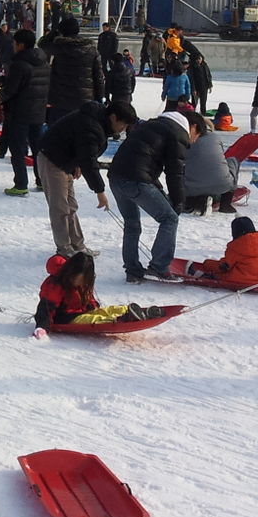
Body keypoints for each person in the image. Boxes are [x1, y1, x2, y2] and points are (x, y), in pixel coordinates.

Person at [35, 100, 136, 258]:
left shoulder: (99, 122)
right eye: (123, 124)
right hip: (52, 159)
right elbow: (89, 162)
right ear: (113, 117)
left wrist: (77, 163)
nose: (123, 129)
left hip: (65, 160)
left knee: (71, 206)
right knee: (60, 208)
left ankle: (77, 245)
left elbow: (83, 149)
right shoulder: (92, 126)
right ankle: (64, 249)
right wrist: (100, 191)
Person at [109, 108, 200, 283]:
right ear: (193, 127)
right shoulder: (178, 133)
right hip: (135, 180)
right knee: (170, 219)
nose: (194, 141)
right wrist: (178, 201)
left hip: (116, 177)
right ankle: (159, 267)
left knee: (132, 224)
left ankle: (132, 271)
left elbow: (144, 161)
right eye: (197, 136)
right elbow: (175, 172)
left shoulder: (153, 124)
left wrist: (160, 190)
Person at [31, 253, 169, 338]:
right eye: (79, 279)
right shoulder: (55, 285)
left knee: (107, 310)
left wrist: (93, 306)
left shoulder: (81, 281)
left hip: (82, 311)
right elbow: (45, 308)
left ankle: (134, 311)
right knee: (95, 319)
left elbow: (88, 297)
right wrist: (42, 327)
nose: (81, 283)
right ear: (70, 273)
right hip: (66, 318)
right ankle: (122, 319)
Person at [0, 29, 50, 196]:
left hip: (20, 112)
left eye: (15, 43)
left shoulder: (19, 64)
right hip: (38, 112)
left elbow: (11, 90)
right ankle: (42, 181)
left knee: (18, 149)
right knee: (38, 149)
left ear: (20, 45)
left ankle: (21, 184)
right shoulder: (44, 63)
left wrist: (1, 93)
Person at [185, 216, 258, 285]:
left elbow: (224, 267)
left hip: (241, 280)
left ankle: (197, 274)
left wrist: (207, 264)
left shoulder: (236, 247)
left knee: (219, 276)